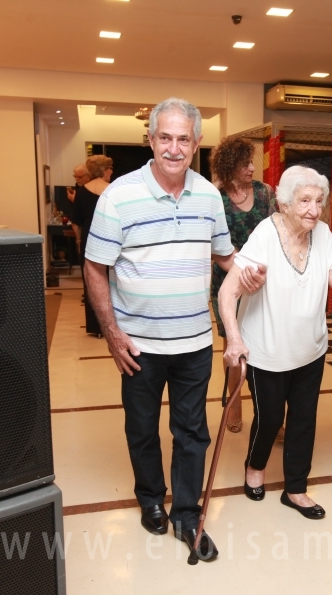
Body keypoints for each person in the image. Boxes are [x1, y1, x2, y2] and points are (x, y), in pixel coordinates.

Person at [84, 97, 253, 562]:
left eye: (184, 139)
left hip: (195, 341)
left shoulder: (208, 196)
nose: (174, 148)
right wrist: (114, 334)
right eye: (165, 137)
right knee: (141, 428)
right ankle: (149, 500)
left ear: (197, 142)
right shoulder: (119, 195)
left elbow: (225, 254)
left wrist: (248, 271)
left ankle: (185, 513)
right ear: (151, 140)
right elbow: (95, 268)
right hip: (138, 344)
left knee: (191, 432)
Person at [220, 166, 332, 519]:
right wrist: (234, 339)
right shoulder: (266, 234)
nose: (314, 209)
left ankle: (295, 489)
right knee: (269, 419)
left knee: (303, 420)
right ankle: (255, 467)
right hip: (266, 349)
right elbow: (227, 291)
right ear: (284, 203)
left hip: (310, 348)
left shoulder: (323, 234)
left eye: (319, 201)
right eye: (305, 201)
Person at [208, 137, 277, 434]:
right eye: (244, 164)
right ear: (228, 166)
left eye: (252, 162)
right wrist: (241, 269)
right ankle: (233, 407)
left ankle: (270, 414)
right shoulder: (216, 199)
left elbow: (279, 230)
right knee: (234, 350)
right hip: (229, 282)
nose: (251, 168)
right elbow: (212, 245)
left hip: (263, 283)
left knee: (267, 347)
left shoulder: (265, 193)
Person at [72, 155, 113, 336]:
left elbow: (76, 222)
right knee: (112, 281)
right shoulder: (113, 190)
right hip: (111, 237)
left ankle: (96, 327)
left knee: (91, 281)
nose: (112, 172)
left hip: (89, 237)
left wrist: (79, 240)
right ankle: (113, 325)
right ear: (104, 171)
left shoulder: (82, 191)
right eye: (110, 169)